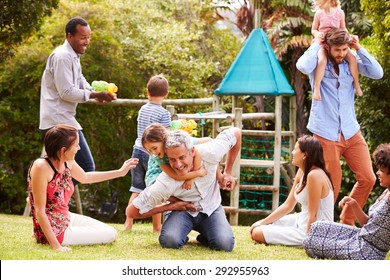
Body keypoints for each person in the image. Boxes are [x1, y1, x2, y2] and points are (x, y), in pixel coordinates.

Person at [296, 27, 384, 225]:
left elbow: (378, 73)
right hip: (325, 133)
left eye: (345, 49)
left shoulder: (350, 63)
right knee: (331, 186)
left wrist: (358, 48)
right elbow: (302, 66)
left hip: (351, 131)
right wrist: (317, 42)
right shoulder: (319, 63)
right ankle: (321, 227)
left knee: (368, 178)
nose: (341, 54)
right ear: (328, 47)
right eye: (337, 50)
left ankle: (347, 220)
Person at [126, 127, 242, 251]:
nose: (178, 165)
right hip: (181, 211)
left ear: (192, 151)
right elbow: (131, 212)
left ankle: (206, 236)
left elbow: (236, 133)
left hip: (211, 207)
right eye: (172, 159)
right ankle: (179, 230)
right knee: (170, 241)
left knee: (224, 245)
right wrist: (172, 206)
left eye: (182, 157)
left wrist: (228, 172)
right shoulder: (166, 180)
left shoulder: (209, 152)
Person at [28, 124, 138, 252]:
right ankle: (44, 235)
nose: (79, 148)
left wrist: (119, 172)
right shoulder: (41, 167)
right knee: (111, 234)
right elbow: (39, 210)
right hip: (56, 232)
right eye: (76, 145)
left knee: (109, 230)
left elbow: (85, 177)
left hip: (66, 218)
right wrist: (56, 246)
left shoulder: (67, 162)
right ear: (63, 150)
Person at [39, 17, 116, 188]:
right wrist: (95, 94)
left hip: (63, 119)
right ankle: (46, 195)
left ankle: (48, 199)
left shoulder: (73, 55)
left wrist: (96, 94)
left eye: (88, 37)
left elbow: (80, 80)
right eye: (82, 37)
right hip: (58, 121)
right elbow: (66, 92)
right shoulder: (62, 57)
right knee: (86, 168)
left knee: (62, 168)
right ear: (69, 36)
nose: (86, 41)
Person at [303, 143, 390, 260]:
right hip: (360, 236)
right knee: (317, 226)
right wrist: (353, 204)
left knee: (310, 242)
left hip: (366, 251)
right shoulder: (386, 192)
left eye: (382, 170)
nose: (378, 173)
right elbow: (369, 223)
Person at [249, 135, 334, 247]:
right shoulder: (302, 172)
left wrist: (310, 242)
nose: (292, 152)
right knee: (264, 224)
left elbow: (313, 215)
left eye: (295, 149)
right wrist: (262, 221)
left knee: (257, 233)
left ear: (305, 154)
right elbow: (288, 205)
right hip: (300, 220)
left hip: (314, 231)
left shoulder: (314, 175)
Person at [123, 74, 172, 232]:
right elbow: (166, 136)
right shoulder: (164, 114)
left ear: (147, 92)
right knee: (155, 190)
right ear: (166, 94)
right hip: (153, 155)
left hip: (137, 150)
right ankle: (157, 227)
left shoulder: (143, 109)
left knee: (136, 189)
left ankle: (128, 224)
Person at [311, 0, 362, 100]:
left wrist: (348, 37)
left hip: (338, 43)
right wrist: (317, 35)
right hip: (324, 43)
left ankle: (356, 83)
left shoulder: (340, 13)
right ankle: (317, 88)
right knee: (322, 61)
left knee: (352, 59)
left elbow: (343, 28)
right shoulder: (319, 13)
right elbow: (314, 29)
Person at [142, 123, 211, 190]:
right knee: (161, 189)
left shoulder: (178, 143)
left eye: (154, 148)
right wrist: (197, 173)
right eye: (149, 150)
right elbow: (175, 176)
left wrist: (191, 178)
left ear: (163, 139)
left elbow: (199, 151)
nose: (153, 152)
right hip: (155, 177)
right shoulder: (157, 157)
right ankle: (175, 202)